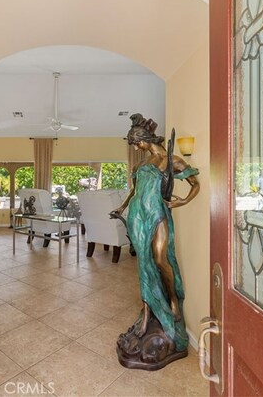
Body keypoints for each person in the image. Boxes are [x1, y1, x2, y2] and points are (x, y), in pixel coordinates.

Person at [112, 113, 199, 365]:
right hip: (138, 216)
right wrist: (122, 206)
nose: (135, 148)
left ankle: (173, 299)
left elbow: (195, 184)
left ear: (144, 139)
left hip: (158, 214)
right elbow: (134, 191)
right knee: (144, 265)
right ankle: (148, 311)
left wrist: (183, 200)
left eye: (136, 143)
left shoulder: (171, 160)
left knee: (161, 259)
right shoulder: (140, 166)